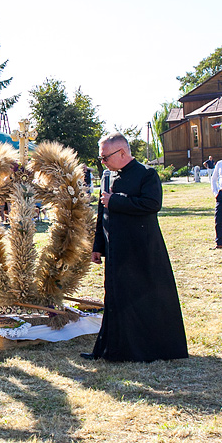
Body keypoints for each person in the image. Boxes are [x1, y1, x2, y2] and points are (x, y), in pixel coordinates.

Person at [83, 133, 187, 362]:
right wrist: (97, 245)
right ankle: (111, 349)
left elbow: (152, 204)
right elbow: (103, 212)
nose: (103, 162)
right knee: (115, 299)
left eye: (105, 157)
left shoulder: (146, 174)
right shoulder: (108, 175)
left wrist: (116, 200)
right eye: (101, 158)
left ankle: (144, 350)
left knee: (141, 299)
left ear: (122, 152)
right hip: (115, 251)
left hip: (140, 249)